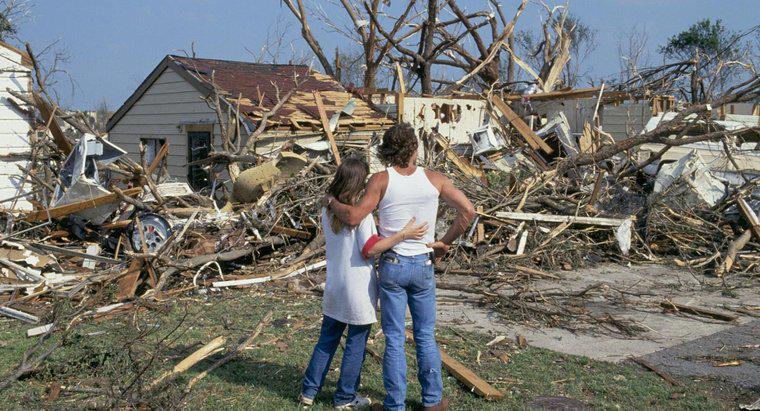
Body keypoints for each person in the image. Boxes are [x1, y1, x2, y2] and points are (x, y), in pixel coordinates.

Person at [325, 124, 476, 411]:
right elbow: (468, 211)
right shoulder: (435, 179)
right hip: (423, 264)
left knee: (394, 337)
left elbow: (354, 217)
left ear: (387, 149)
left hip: (393, 264)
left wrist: (332, 202)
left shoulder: (381, 180)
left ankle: (395, 405)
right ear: (414, 148)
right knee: (425, 335)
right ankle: (432, 402)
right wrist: (444, 242)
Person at [300, 157, 428, 409]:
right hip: (358, 289)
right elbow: (370, 249)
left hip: (335, 285)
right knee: (355, 346)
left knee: (326, 341)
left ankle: (308, 391)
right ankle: (344, 398)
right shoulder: (362, 218)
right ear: (360, 184)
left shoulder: (328, 211)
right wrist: (404, 234)